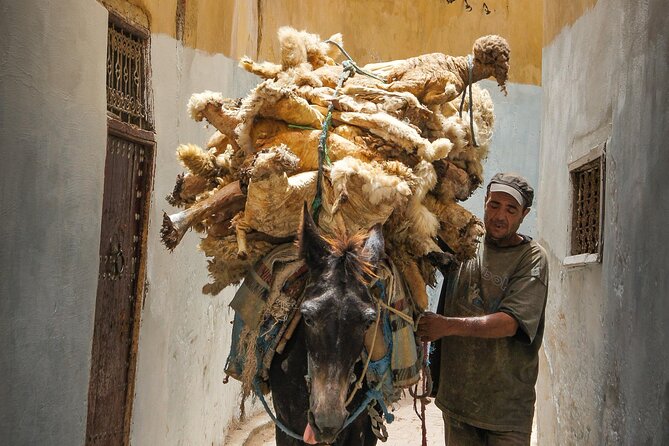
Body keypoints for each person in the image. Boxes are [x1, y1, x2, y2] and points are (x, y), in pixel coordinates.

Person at [417, 173, 548, 446]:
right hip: (458, 404)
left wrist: (446, 325)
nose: (500, 215)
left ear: (524, 214)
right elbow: (422, 231)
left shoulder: (531, 258)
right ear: (485, 202)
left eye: (511, 209)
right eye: (494, 205)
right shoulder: (467, 242)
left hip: (505, 413)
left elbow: (510, 323)